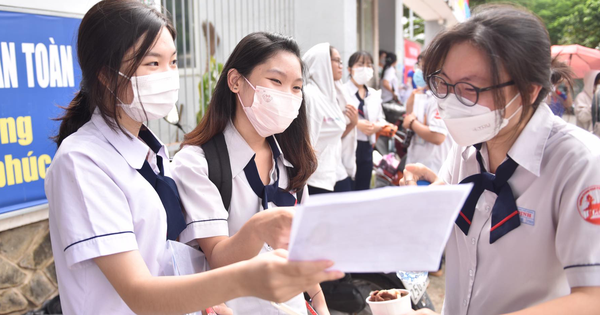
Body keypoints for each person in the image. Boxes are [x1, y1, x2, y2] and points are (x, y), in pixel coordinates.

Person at [44, 2, 343, 314]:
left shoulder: (152, 156)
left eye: (173, 62)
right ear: (106, 75)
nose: (169, 75)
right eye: (152, 63)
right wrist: (246, 277)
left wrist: (212, 303)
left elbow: (169, 260)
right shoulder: (82, 161)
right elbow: (139, 293)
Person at [403, 4, 600, 315]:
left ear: (529, 91)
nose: (452, 102)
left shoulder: (580, 164)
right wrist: (436, 201)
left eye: (470, 88)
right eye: (443, 84)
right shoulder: (466, 146)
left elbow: (593, 298)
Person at [170, 32, 331, 315]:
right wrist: (260, 228)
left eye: (296, 87)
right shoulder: (197, 163)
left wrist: (318, 300)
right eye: (276, 81)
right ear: (235, 81)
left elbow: (301, 246)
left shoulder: (293, 162)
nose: (288, 96)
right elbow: (218, 257)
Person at [303, 43, 359, 194]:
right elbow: (307, 142)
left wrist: (352, 124)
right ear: (323, 63)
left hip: (335, 173)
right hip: (316, 179)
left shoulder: (332, 96)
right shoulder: (310, 96)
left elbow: (331, 135)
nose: (341, 66)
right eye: (337, 61)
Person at [344, 51, 388, 190]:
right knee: (347, 188)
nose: (365, 68)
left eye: (369, 65)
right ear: (350, 69)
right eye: (360, 64)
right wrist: (357, 124)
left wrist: (376, 126)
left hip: (367, 146)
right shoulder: (342, 92)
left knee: (363, 188)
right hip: (348, 145)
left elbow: (381, 119)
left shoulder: (374, 94)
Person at [402, 57, 452, 175]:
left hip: (432, 169)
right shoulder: (421, 94)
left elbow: (438, 136)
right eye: (418, 66)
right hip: (417, 164)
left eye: (423, 68)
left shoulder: (439, 98)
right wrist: (410, 106)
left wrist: (411, 123)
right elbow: (410, 122)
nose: (418, 71)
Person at [575, 70, 600, 136]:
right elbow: (582, 117)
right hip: (586, 136)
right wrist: (595, 106)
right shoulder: (582, 97)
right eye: (598, 83)